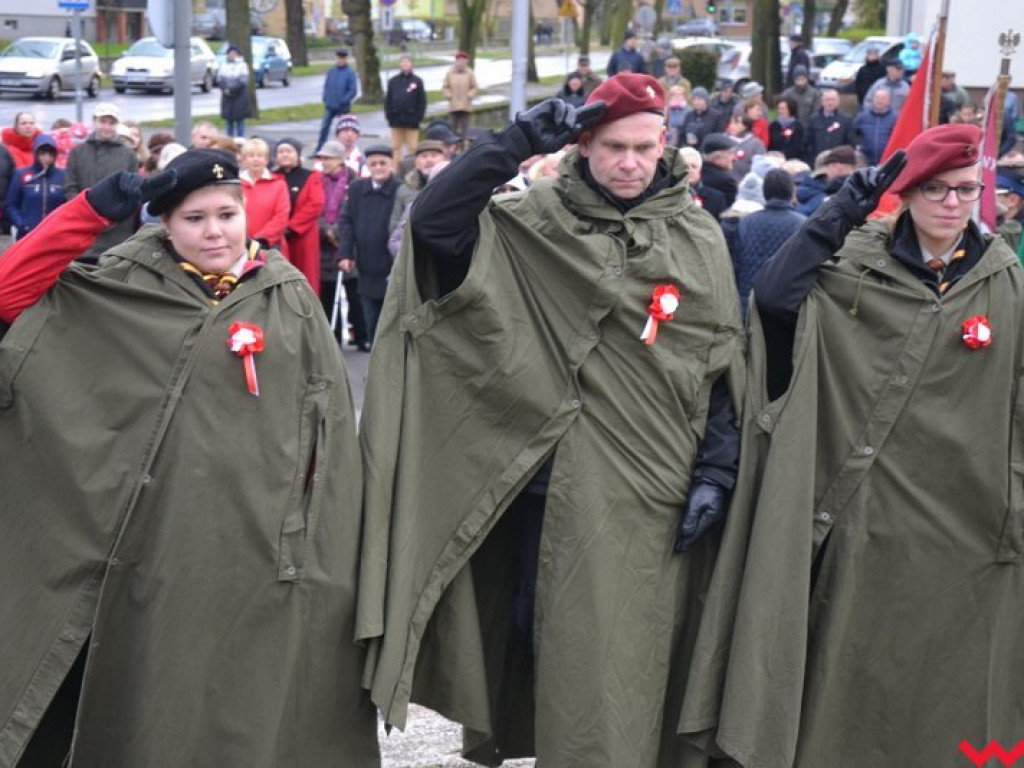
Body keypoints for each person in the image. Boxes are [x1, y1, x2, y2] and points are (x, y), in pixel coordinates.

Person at [356, 73, 743, 767]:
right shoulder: (534, 218)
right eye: (615, 147)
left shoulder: (697, 235)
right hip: (543, 482)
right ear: (583, 143)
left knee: (630, 654)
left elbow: (719, 365)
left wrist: (718, 467)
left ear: (666, 145)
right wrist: (510, 145)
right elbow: (436, 226)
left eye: (646, 148)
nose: (631, 162)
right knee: (547, 645)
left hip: (654, 485)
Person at [0, 149, 380, 767]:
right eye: (194, 218)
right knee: (124, 704)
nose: (215, 232)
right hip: (134, 545)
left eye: (227, 214)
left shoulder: (289, 298)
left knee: (231, 711)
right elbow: (9, 292)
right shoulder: (122, 285)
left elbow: (328, 432)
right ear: (165, 225)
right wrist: (92, 211)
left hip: (245, 548)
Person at [683, 121, 1024, 768]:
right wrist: (842, 208)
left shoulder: (1005, 285)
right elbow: (777, 302)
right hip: (859, 522)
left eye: (964, 189)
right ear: (905, 192)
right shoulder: (855, 267)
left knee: (946, 706)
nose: (951, 204)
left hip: (960, 529)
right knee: (842, 693)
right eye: (934, 190)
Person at [337, 144, 400, 345]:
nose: (378, 167)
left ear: (392, 164)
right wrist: (345, 253)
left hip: (392, 267)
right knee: (371, 321)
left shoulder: (399, 189)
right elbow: (346, 221)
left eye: (383, 163)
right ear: (367, 166)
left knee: (392, 324)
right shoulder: (357, 188)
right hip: (366, 266)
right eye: (373, 164)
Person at [64, 102, 140, 262]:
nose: (107, 127)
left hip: (117, 235)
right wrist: (85, 213)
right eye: (103, 121)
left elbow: (133, 193)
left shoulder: (128, 155)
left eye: (111, 123)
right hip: (83, 233)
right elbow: (70, 187)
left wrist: (115, 217)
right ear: (94, 121)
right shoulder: (78, 152)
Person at [731, 168, 805, 315]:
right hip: (785, 305)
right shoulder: (802, 225)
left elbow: (735, 266)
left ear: (764, 192)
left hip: (748, 301)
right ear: (791, 192)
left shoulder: (746, 222)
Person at [315, 140, 365, 347]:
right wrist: (325, 230)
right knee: (327, 292)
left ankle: (362, 335)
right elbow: (314, 206)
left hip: (349, 241)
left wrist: (339, 231)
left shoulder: (354, 180)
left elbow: (358, 209)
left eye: (327, 158)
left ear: (339, 159)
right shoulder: (317, 181)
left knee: (354, 292)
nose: (323, 162)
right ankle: (332, 338)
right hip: (323, 243)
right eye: (322, 158)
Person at [275, 137, 324, 295]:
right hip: (277, 237)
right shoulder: (272, 177)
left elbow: (315, 203)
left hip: (303, 236)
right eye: (281, 152)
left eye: (289, 151)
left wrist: (292, 227)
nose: (285, 155)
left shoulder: (310, 176)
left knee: (306, 276)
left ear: (297, 154)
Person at [4, 133, 65, 240]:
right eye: (42, 153)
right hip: (27, 234)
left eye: (50, 154)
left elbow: (68, 204)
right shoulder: (21, 174)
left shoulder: (63, 175)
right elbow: (11, 205)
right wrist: (22, 225)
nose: (46, 157)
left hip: (55, 235)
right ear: (36, 153)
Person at [240, 137, 290, 252]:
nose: (256, 159)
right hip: (240, 245)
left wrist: (260, 239)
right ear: (244, 160)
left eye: (260, 155)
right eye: (251, 156)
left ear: (267, 160)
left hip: (270, 246)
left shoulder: (279, 184)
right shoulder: (236, 185)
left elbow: (281, 216)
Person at [389, 139, 445, 235]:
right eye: (424, 156)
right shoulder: (404, 190)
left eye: (434, 155)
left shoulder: (453, 186)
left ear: (443, 160)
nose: (429, 160)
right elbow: (395, 224)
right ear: (416, 163)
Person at [385, 54, 427, 160]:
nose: (405, 64)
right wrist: (389, 116)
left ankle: (412, 168)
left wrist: (418, 118)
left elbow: (422, 102)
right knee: (395, 147)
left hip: (412, 121)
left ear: (412, 64)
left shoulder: (417, 81)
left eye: (407, 62)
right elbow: (388, 100)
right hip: (396, 120)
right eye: (403, 62)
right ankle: (396, 169)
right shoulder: (393, 81)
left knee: (413, 147)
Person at [317, 49, 358, 153]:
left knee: (344, 130)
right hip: (330, 105)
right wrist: (326, 98)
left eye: (343, 58)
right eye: (339, 58)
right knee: (324, 127)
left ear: (346, 59)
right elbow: (327, 86)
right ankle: (320, 149)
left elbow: (353, 91)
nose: (341, 60)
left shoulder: (350, 73)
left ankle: (344, 150)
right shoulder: (331, 71)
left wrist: (343, 101)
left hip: (343, 107)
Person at [805, 88, 856, 163]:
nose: (830, 103)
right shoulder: (813, 120)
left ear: (838, 102)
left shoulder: (846, 120)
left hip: (838, 162)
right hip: (817, 161)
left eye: (833, 100)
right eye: (827, 100)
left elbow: (850, 143)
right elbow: (808, 143)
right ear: (822, 102)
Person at [856, 88, 898, 166]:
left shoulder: (895, 118)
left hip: (887, 160)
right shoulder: (863, 117)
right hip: (865, 161)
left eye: (883, 98)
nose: (879, 101)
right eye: (877, 98)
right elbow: (854, 134)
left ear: (888, 101)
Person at [442, 52, 479, 139]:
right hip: (453, 105)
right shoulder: (450, 73)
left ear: (466, 62)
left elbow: (475, 87)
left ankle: (463, 147)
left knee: (464, 130)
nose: (460, 63)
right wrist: (449, 95)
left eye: (463, 61)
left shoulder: (470, 73)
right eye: (459, 60)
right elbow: (445, 86)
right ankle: (453, 148)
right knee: (453, 130)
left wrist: (470, 95)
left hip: (465, 106)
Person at [217, 45, 250, 138]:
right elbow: (219, 80)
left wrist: (232, 90)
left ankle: (240, 139)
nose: (232, 55)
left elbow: (243, 82)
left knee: (240, 120)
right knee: (229, 120)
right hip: (227, 97)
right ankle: (229, 139)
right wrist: (225, 89)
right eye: (230, 53)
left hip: (239, 97)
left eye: (234, 53)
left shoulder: (242, 65)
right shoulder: (223, 65)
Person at [701, 132, 740, 207]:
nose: (735, 158)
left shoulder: (696, 173)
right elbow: (728, 213)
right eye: (731, 153)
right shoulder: (726, 182)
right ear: (716, 159)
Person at [769, 96, 806, 160]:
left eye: (783, 109)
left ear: (790, 109)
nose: (780, 111)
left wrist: (785, 155)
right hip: (775, 159)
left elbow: (797, 145)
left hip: (792, 159)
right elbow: (771, 144)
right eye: (779, 108)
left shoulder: (797, 125)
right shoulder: (773, 125)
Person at [333, 114, 368, 178]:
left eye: (354, 131)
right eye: (345, 130)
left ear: (358, 136)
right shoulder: (325, 159)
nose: (350, 134)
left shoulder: (364, 163)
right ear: (337, 135)